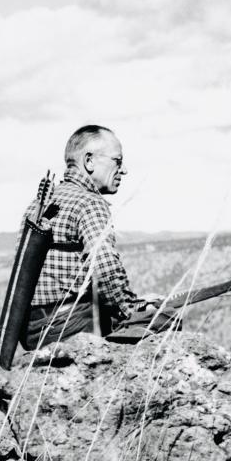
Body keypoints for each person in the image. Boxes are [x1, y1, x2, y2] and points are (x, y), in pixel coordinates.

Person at [20, 125, 164, 350]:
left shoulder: (37, 205)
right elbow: (104, 270)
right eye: (117, 160)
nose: (123, 170)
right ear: (89, 161)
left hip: (31, 331)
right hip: (72, 326)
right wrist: (132, 309)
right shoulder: (89, 203)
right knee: (165, 319)